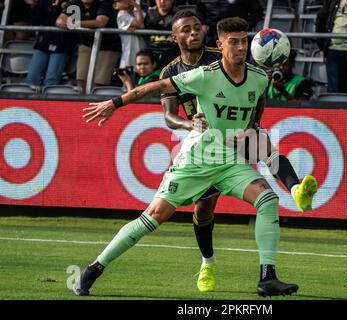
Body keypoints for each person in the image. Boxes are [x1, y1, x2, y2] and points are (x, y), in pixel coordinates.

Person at [77, 17, 318, 297]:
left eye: (244, 41)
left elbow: (257, 105)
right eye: (233, 42)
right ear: (220, 45)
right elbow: (153, 88)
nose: (240, 48)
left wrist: (250, 131)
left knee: (267, 198)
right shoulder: (204, 75)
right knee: (154, 216)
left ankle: (268, 278)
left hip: (229, 160)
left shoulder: (259, 78)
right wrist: (114, 103)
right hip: (198, 157)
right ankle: (94, 268)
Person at [160, 10, 314, 292]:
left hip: (236, 132)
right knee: (204, 209)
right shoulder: (170, 71)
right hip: (203, 144)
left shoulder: (223, 54)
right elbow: (169, 116)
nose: (193, 33)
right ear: (176, 37)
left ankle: (296, 191)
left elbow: (256, 86)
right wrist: (187, 122)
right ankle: (208, 262)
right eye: (186, 30)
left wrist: (254, 124)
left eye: (197, 28)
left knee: (263, 144)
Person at [56, 0, 122, 93]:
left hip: (108, 46)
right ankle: (81, 104)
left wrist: (73, 24)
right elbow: (60, 21)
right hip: (86, 44)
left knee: (98, 83)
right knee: (81, 79)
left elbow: (100, 23)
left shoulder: (104, 3)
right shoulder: (74, 4)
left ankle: (96, 104)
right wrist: (64, 22)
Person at [25, 0, 77, 86]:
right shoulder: (45, 2)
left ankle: (48, 99)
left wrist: (56, 6)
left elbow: (64, 23)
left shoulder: (74, 3)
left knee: (51, 80)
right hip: (44, 42)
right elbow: (36, 22)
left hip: (63, 44)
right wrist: (33, 6)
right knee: (32, 78)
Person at [196, 0, 264, 47]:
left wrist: (244, 26)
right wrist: (203, 24)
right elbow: (199, 10)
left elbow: (257, 12)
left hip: (237, 36)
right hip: (212, 36)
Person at [143, 0, 180, 68]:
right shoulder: (149, 14)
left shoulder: (178, 15)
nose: (162, 1)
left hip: (173, 54)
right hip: (152, 54)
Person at [114, 0, 146, 68]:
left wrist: (137, 9)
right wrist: (137, 7)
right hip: (128, 54)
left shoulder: (137, 12)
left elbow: (144, 25)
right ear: (115, 5)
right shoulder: (121, 14)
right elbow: (140, 24)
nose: (126, 1)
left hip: (143, 52)